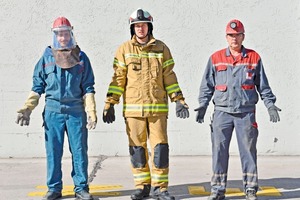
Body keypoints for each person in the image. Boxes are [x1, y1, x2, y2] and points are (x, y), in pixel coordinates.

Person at [102, 8, 189, 200]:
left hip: (157, 110)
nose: (140, 29)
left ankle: (160, 188)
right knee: (137, 150)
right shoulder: (124, 49)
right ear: (132, 28)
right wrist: (110, 103)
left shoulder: (162, 48)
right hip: (133, 111)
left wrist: (179, 100)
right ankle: (142, 187)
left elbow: (169, 76)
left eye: (143, 25)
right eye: (136, 26)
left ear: (149, 26)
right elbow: (118, 78)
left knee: (160, 150)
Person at [195, 19, 281, 200]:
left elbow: (262, 86)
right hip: (222, 113)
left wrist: (270, 104)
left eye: (237, 35)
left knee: (248, 151)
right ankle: (217, 190)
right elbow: (207, 85)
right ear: (226, 37)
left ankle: (250, 189)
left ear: (243, 36)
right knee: (219, 151)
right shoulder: (215, 58)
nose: (234, 38)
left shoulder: (254, 57)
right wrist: (203, 105)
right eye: (231, 35)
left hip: (245, 113)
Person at [16, 17, 97, 200]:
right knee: (53, 152)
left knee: (79, 151)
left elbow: (88, 87)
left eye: (65, 33)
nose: (62, 37)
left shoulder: (81, 58)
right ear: (55, 35)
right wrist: (27, 108)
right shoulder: (46, 58)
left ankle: (81, 189)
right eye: (59, 33)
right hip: (53, 112)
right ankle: (54, 189)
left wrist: (91, 111)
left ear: (71, 33)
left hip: (76, 112)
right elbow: (37, 87)